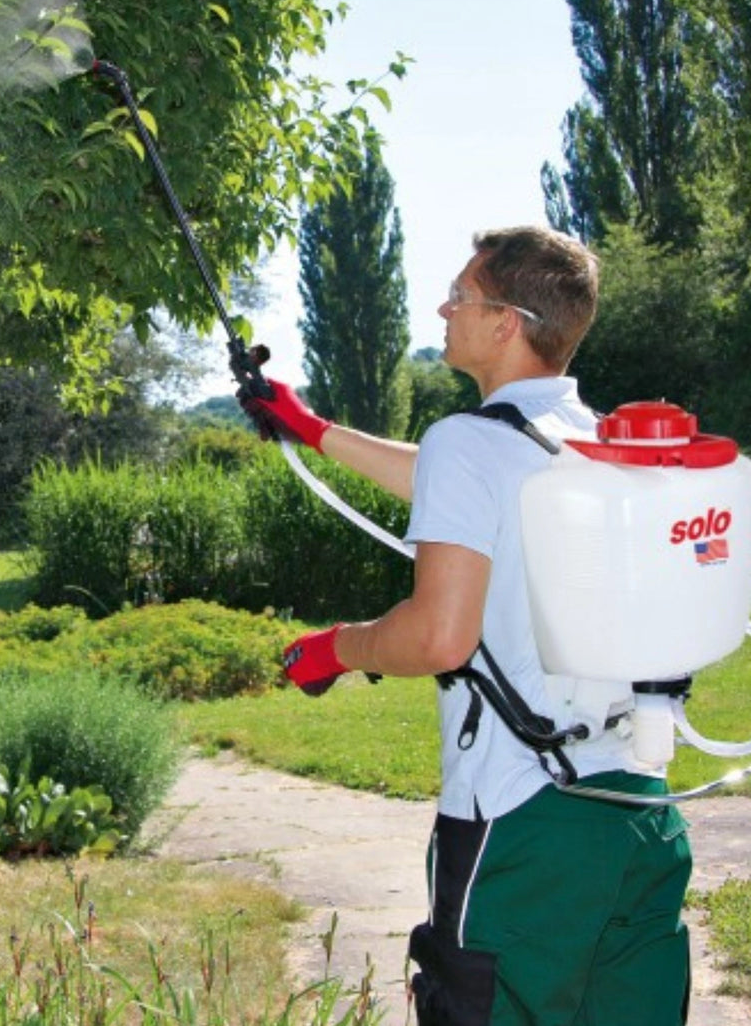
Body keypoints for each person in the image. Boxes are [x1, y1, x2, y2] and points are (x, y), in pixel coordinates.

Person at [239, 226, 692, 1026]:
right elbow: (451, 474)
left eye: (462, 295)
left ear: (505, 322)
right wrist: (309, 428)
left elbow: (438, 638)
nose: (444, 308)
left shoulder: (472, 444)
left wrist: (334, 649)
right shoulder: (596, 441)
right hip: (639, 813)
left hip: (523, 826)